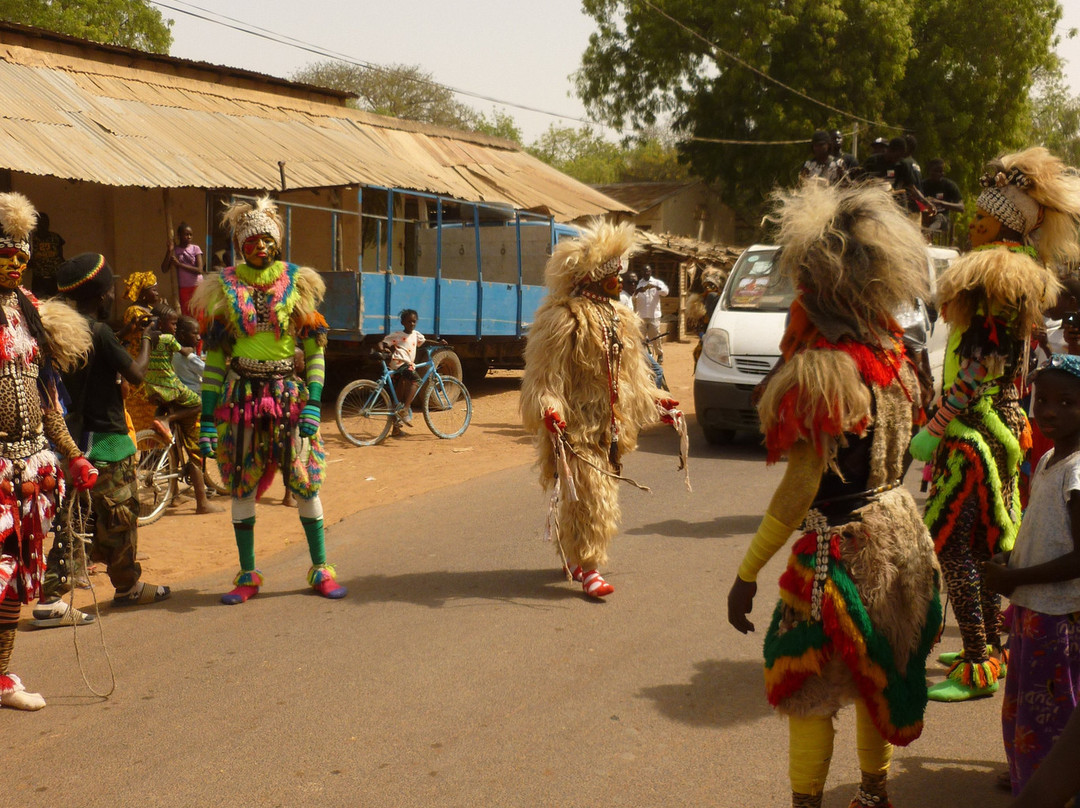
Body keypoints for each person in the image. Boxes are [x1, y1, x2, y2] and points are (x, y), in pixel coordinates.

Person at [726, 180, 942, 808]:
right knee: (881, 677)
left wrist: (746, 572)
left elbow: (800, 487)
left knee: (810, 693)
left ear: (816, 285)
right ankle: (874, 795)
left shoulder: (822, 371)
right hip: (900, 539)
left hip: (840, 555)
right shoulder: (897, 357)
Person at [910, 147, 1080, 701]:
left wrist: (937, 424)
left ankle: (979, 657)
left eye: (983, 215)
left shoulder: (993, 277)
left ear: (1004, 221)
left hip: (975, 430)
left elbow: (982, 366)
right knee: (981, 545)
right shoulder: (1005, 274)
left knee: (953, 548)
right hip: (997, 425)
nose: (973, 222)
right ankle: (989, 646)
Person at [190, 196, 345, 604]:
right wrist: (207, 419)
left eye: (267, 240)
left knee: (306, 484)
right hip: (239, 400)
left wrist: (313, 402)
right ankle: (247, 575)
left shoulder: (298, 283)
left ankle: (321, 569)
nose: (260, 247)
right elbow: (215, 362)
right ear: (240, 245)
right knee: (240, 487)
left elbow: (314, 352)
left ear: (278, 243)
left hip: (288, 399)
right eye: (252, 240)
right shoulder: (223, 288)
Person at [521, 220, 686, 599]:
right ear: (595, 277)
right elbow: (542, 377)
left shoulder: (622, 318)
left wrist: (657, 401)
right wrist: (549, 408)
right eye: (613, 277)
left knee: (580, 494)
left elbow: (633, 376)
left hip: (610, 426)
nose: (620, 284)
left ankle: (572, 552)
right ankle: (591, 566)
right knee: (595, 494)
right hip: (575, 426)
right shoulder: (562, 319)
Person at [35, 252, 172, 627]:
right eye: (111, 286)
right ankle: (57, 596)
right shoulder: (99, 332)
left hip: (74, 440)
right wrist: (146, 340)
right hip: (108, 440)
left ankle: (118, 584)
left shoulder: (63, 329)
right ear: (103, 292)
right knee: (117, 516)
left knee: (81, 517)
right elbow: (137, 374)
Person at [0, 194, 96, 708]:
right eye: (4, 253)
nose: (15, 262)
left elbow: (48, 397)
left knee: (15, 581)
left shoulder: (32, 312)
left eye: (21, 254)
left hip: (32, 466)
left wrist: (72, 454)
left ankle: (2, 676)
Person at [980, 355, 1080, 795]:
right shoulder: (1047, 461)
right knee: (1025, 700)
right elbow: (1044, 530)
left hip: (1060, 614)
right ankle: (1029, 771)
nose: (1050, 411)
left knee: (1052, 707)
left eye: (1068, 402)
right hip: (1032, 607)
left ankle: (1047, 786)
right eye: (1043, 400)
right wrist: (1012, 562)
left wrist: (1018, 579)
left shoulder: (1077, 471)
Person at [142, 304, 221, 515]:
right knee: (195, 450)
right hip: (179, 396)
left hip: (157, 392)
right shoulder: (172, 342)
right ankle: (202, 503)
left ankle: (174, 496)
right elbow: (191, 357)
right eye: (174, 324)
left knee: (173, 447)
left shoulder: (149, 339)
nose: (175, 328)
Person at [379, 308, 426, 436]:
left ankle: (396, 429)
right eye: (409, 321)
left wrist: (439, 343)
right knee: (417, 380)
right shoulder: (398, 335)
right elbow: (383, 342)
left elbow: (424, 342)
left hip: (404, 366)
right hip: (400, 363)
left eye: (414, 322)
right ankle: (405, 409)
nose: (412, 324)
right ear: (403, 323)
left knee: (398, 396)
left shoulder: (416, 334)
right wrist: (384, 349)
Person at [161, 222, 204, 317]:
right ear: (179, 235)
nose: (189, 237)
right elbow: (164, 269)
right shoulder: (175, 251)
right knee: (187, 314)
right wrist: (169, 250)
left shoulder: (195, 248)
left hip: (197, 286)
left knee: (199, 314)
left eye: (190, 235)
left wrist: (179, 264)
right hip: (184, 288)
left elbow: (200, 270)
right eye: (186, 234)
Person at [634, 264, 668, 363]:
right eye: (644, 271)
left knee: (655, 337)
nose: (646, 273)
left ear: (651, 272)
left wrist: (656, 287)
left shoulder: (657, 282)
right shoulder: (638, 284)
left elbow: (666, 292)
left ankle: (660, 354)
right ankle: (642, 357)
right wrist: (637, 291)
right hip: (641, 316)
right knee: (640, 338)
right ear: (641, 272)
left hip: (654, 315)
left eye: (648, 271)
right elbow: (632, 298)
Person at [921, 158, 964, 235]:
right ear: (930, 171)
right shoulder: (923, 185)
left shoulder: (949, 185)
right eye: (936, 171)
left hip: (943, 219)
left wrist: (941, 203)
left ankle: (927, 234)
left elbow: (961, 207)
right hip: (925, 217)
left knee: (939, 217)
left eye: (941, 171)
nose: (940, 174)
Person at [27, 212, 64, 300]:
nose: (43, 225)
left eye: (45, 222)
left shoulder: (55, 237)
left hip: (54, 278)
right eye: (40, 222)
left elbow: (60, 255)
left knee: (57, 302)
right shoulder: (31, 238)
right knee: (38, 302)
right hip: (39, 278)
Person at [172, 315, 205, 397]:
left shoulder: (173, 353)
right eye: (194, 333)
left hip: (180, 393)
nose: (199, 337)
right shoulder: (190, 358)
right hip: (195, 394)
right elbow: (208, 372)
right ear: (182, 335)